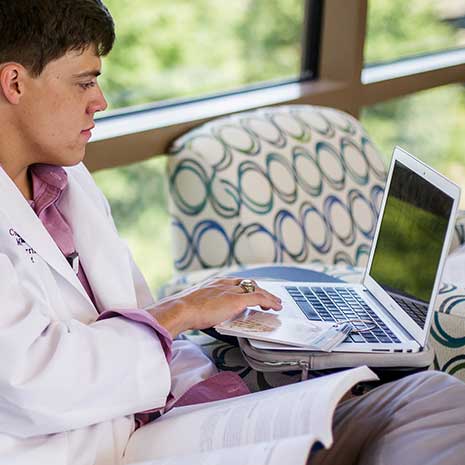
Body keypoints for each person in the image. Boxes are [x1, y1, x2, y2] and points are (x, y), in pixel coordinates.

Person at [0, 2, 463, 465]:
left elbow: (143, 321)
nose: (99, 100)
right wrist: (184, 310)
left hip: (172, 427)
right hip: (94, 453)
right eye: (84, 81)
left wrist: (245, 399)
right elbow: (32, 382)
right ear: (15, 82)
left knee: (428, 399)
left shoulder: (68, 181)